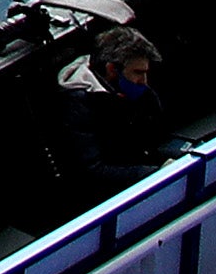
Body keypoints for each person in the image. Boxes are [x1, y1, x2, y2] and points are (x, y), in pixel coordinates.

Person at [52, 25, 168, 192]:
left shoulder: (139, 93)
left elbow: (150, 145)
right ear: (112, 69)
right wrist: (156, 174)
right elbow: (93, 171)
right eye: (137, 73)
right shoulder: (77, 104)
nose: (144, 81)